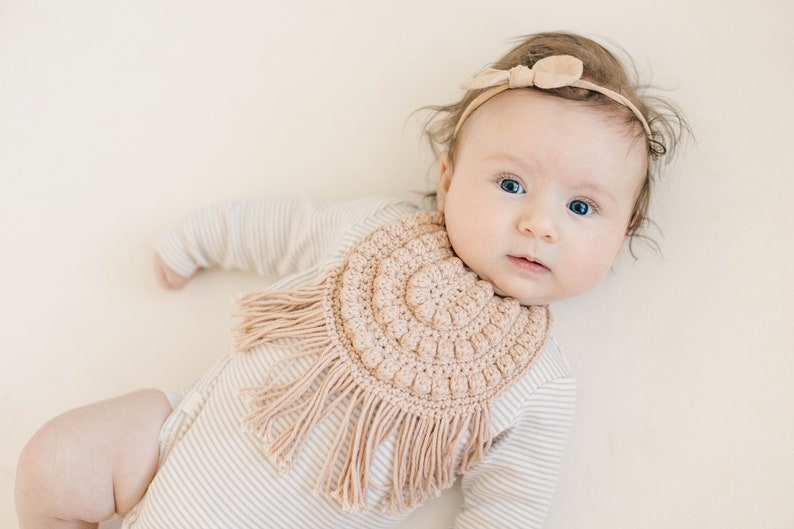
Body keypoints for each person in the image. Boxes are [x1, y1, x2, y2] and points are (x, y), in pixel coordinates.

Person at [15, 31, 686, 529]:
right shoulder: (376, 228)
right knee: (55, 460)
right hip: (173, 449)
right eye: (511, 184)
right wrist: (198, 237)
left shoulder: (538, 384)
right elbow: (281, 227)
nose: (541, 223)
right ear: (448, 180)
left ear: (622, 233)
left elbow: (509, 503)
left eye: (582, 207)